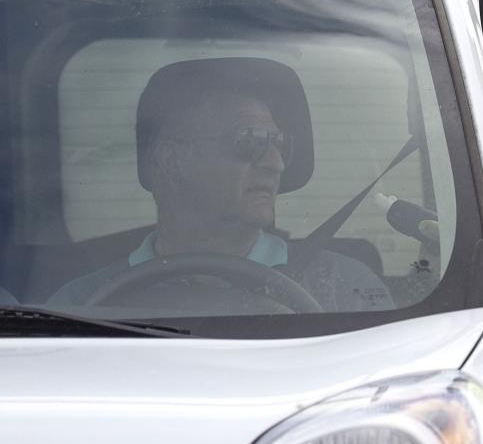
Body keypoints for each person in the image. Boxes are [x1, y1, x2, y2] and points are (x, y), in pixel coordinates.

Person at [52, 57, 392, 313]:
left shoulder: (345, 289)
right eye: (250, 140)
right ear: (173, 160)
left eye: (279, 142)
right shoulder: (81, 305)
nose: (276, 163)